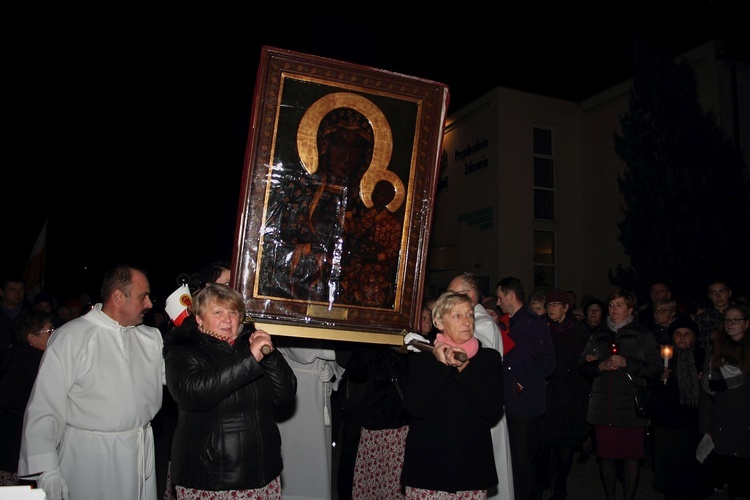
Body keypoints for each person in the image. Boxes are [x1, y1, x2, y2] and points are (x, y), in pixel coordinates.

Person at [17, 265, 165, 500]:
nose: (149, 304)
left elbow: (183, 381)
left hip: (138, 452)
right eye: (143, 296)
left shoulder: (150, 338)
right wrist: (47, 469)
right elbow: (45, 407)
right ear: (118, 296)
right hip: (88, 458)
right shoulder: (71, 337)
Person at [163, 283, 297, 498]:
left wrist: (270, 355)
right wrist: (250, 359)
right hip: (212, 477)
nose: (227, 319)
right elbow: (194, 394)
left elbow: (285, 394)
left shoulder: (249, 347)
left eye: (233, 312)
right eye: (218, 312)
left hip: (263, 471)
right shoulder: (183, 350)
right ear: (199, 318)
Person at [401, 291, 504, 498]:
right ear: (439, 322)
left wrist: (464, 367)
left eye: (469, 315)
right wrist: (440, 364)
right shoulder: (422, 359)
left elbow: (492, 409)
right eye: (457, 316)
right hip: (428, 468)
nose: (466, 321)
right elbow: (415, 408)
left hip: (470, 469)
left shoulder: (488, 359)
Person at [578, 288, 662, 500]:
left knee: (630, 458)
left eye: (619, 305)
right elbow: (582, 367)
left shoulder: (642, 334)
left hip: (630, 406)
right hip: (603, 405)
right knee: (606, 457)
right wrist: (600, 365)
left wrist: (628, 363)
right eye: (612, 305)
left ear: (630, 309)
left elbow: (655, 369)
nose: (613, 309)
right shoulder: (599, 334)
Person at [448, 272, 514, 500]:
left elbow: (470, 361)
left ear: (470, 296)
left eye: (453, 294)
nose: (447, 298)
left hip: (483, 407)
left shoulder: (482, 325)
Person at [495, 276, 555, 500]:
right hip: (508, 401)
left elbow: (547, 365)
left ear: (511, 295)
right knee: (511, 461)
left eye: (500, 297)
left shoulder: (533, 324)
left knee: (523, 461)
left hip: (526, 403)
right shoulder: (505, 323)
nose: (498, 303)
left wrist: (509, 365)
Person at [536, 289, 590, 500]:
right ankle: (543, 479)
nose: (552, 308)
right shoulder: (542, 326)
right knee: (543, 444)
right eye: (549, 305)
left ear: (566, 308)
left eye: (557, 305)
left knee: (563, 443)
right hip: (547, 392)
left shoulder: (576, 330)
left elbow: (580, 361)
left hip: (568, 393)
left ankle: (561, 486)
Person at [274, 336, 343, 500]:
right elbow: (302, 352)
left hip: (319, 397)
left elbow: (334, 362)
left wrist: (333, 371)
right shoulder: (289, 324)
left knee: (318, 456)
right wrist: (343, 352)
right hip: (295, 393)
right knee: (293, 455)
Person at [651, 317, 712, 500]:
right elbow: (654, 389)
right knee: (670, 472)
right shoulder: (664, 356)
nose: (682, 338)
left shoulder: (703, 356)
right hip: (669, 422)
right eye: (678, 334)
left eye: (687, 334)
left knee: (694, 472)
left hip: (695, 422)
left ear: (694, 337)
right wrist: (660, 379)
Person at [698, 304, 749, 500]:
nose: (731, 324)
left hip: (744, 425)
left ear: (746, 324)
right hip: (720, 423)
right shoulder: (715, 351)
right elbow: (707, 391)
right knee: (718, 483)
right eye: (728, 320)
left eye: (736, 320)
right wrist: (705, 425)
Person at [345, 344, 409, 499]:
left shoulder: (412, 341)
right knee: (373, 485)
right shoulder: (374, 344)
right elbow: (355, 371)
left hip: (399, 425)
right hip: (375, 423)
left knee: (393, 486)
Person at [0, 309, 53, 486]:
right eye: (49, 331)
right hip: (15, 444)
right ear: (31, 337)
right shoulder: (34, 366)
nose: (53, 335)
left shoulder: (12, 355)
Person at [694, 279, 736, 350]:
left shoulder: (741, 314)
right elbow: (699, 345)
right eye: (714, 293)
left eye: (722, 292)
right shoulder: (702, 318)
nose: (718, 296)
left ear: (729, 293)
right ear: (709, 296)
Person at [1, 277, 31, 352]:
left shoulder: (30, 313)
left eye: (21, 290)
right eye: (12, 289)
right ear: (2, 292)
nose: (18, 293)